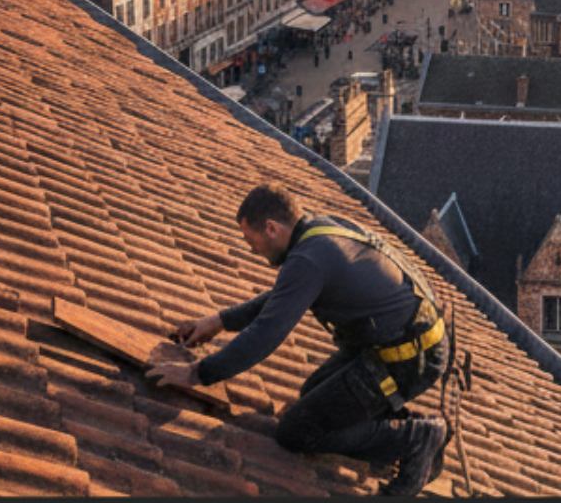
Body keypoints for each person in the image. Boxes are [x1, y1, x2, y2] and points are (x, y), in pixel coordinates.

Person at [148, 184, 450, 496]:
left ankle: (417, 439)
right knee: (310, 397)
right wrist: (219, 321)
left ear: (271, 228)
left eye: (252, 242)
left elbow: (266, 333)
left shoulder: (310, 258)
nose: (253, 251)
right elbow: (283, 297)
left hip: (408, 359)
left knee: (298, 431)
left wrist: (197, 373)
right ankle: (385, 423)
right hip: (395, 341)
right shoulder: (317, 233)